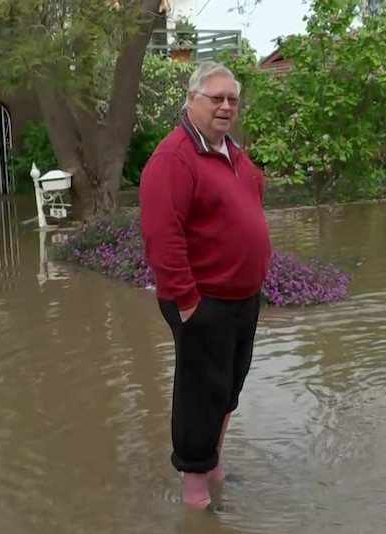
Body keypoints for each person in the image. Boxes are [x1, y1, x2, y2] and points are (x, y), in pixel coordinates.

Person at [138, 62, 272, 508]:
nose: (226, 106)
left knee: (228, 387)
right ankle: (195, 491)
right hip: (202, 300)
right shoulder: (173, 157)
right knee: (201, 393)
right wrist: (188, 301)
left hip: (241, 298)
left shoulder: (233, 152)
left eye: (232, 99)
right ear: (192, 100)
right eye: (216, 98)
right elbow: (162, 234)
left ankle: (213, 464)